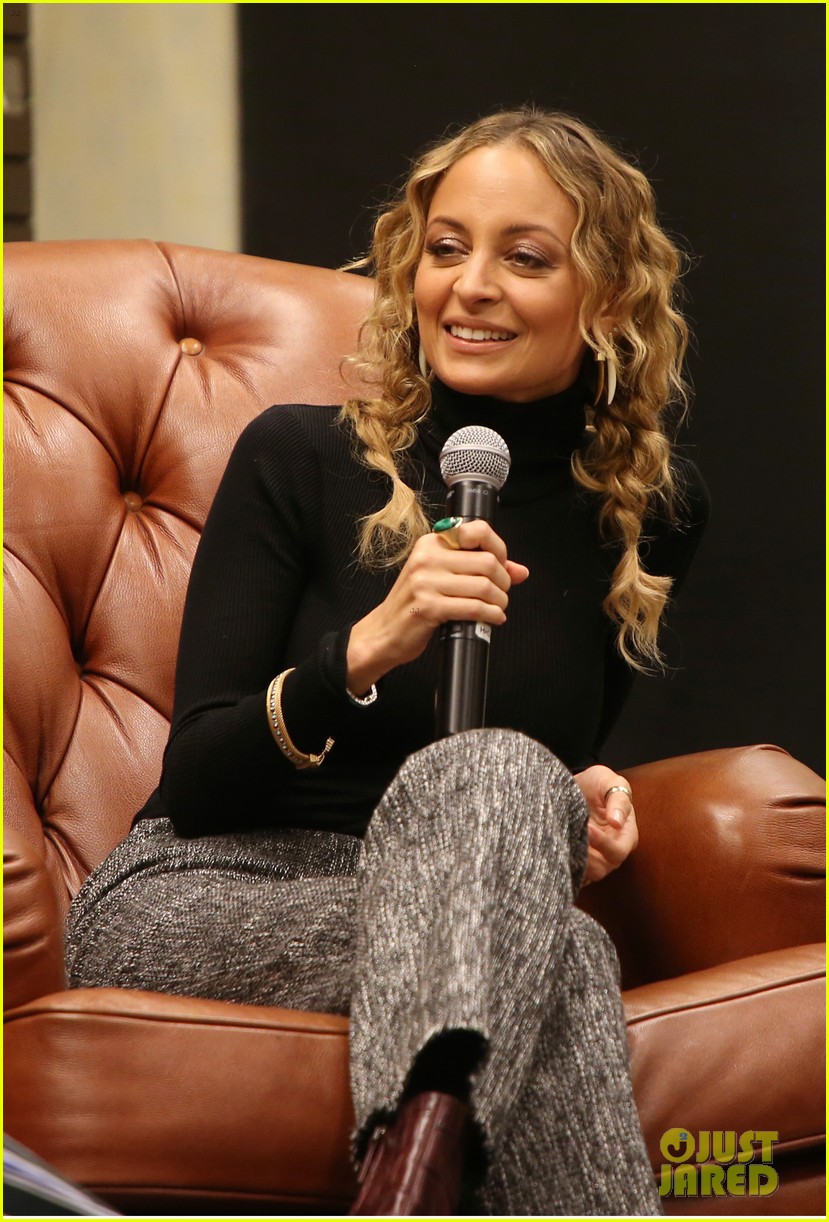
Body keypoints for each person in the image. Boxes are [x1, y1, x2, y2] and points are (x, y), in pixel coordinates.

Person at [65, 108, 708, 1216]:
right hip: (209, 892)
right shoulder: (296, 455)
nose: (471, 287)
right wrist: (364, 650)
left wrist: (576, 798)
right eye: (446, 249)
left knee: (529, 850)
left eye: (524, 258)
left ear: (605, 299)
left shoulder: (647, 515)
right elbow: (201, 780)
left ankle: (405, 1186)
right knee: (548, 934)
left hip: (452, 895)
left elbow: (528, 774)